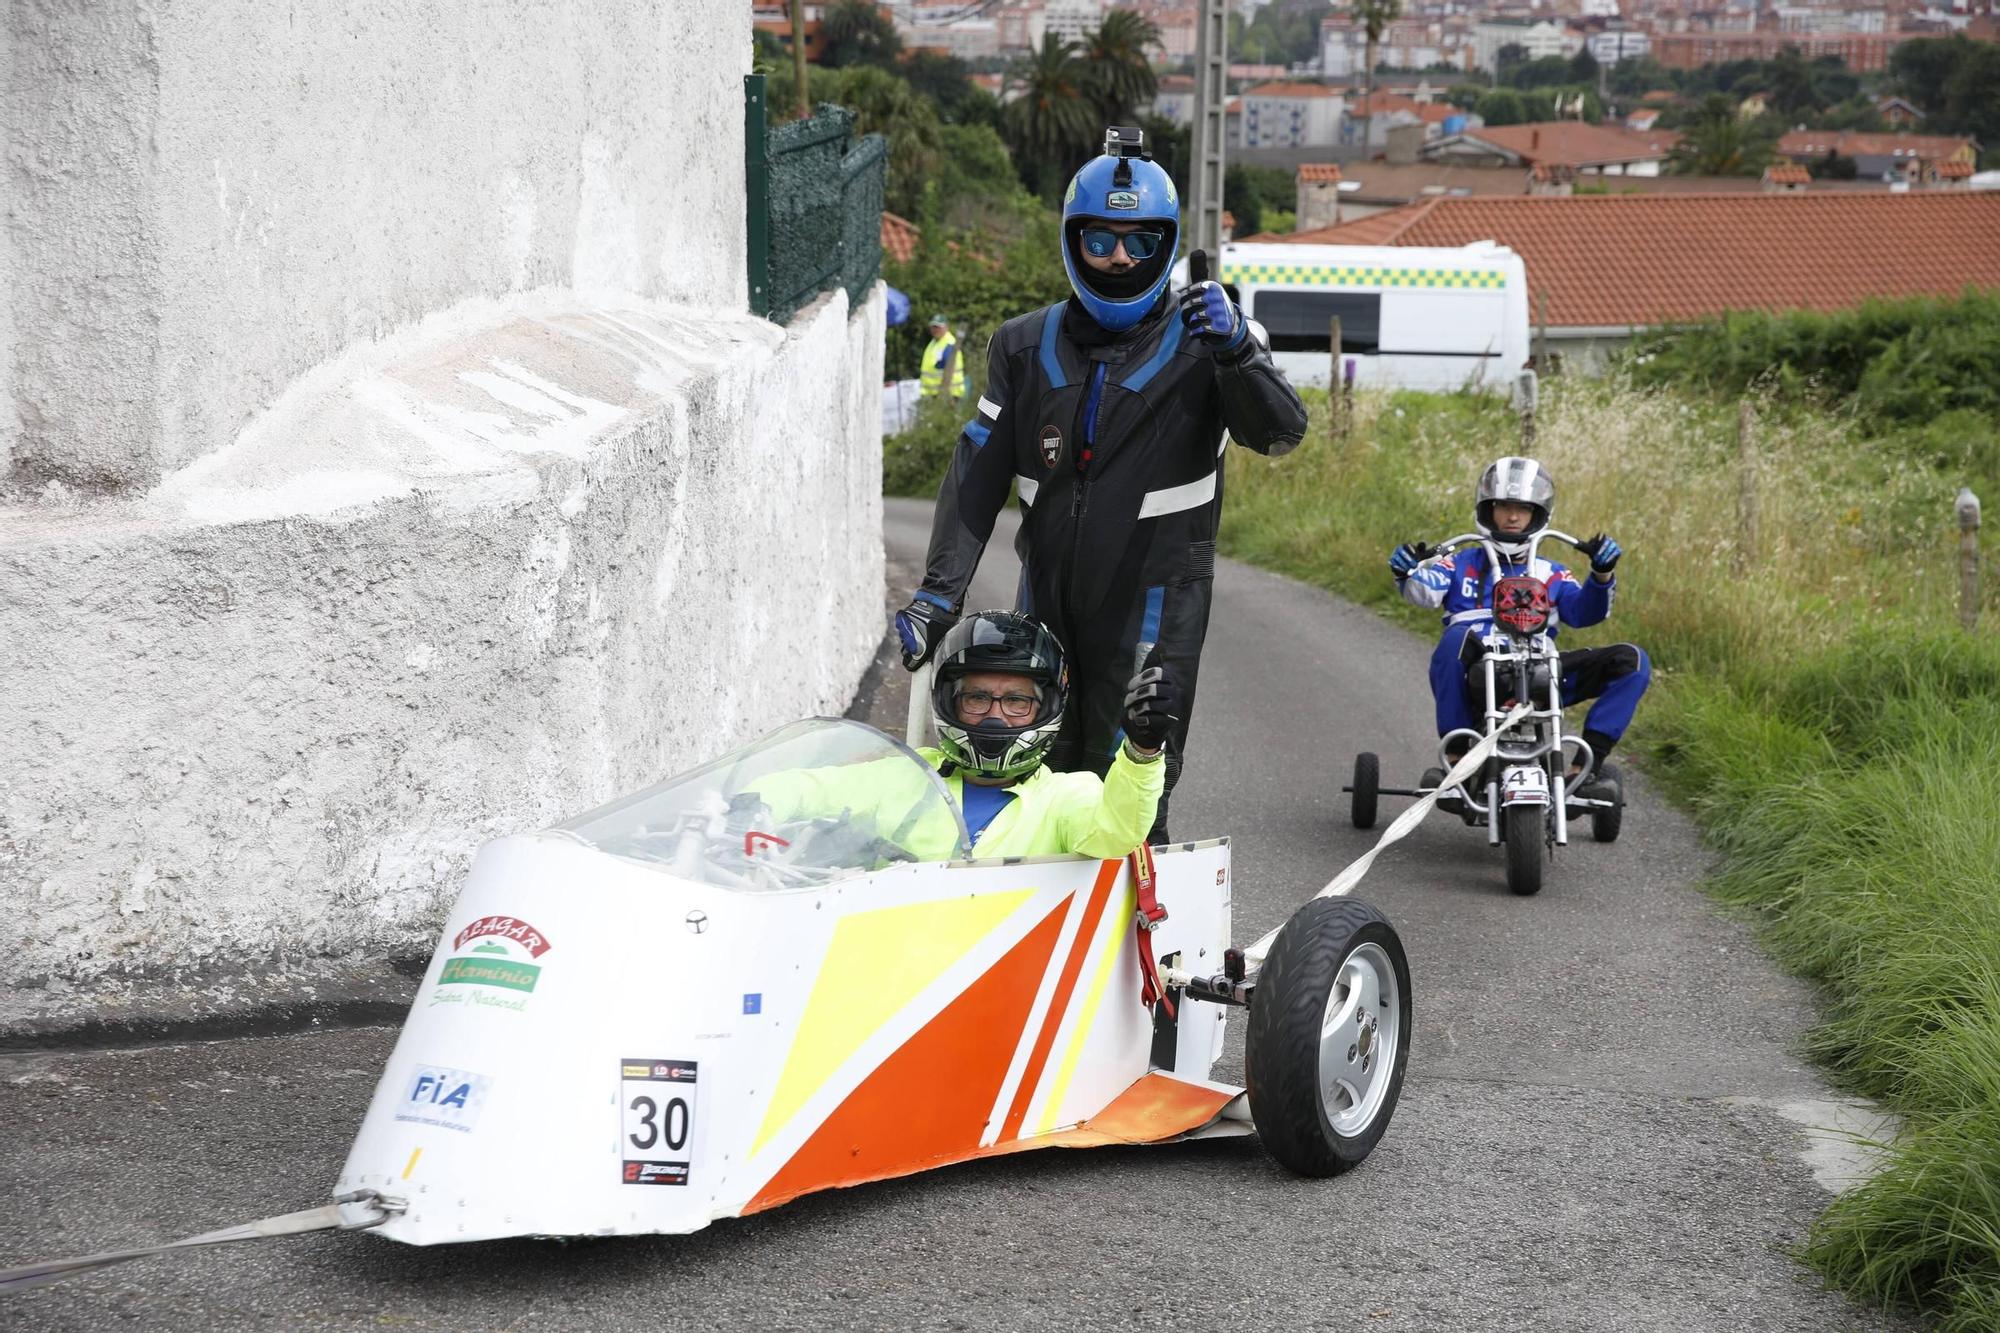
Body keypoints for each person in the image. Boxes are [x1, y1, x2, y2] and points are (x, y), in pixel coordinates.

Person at [893, 126, 1307, 842]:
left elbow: (1279, 433)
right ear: (1071, 238)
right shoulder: (1022, 345)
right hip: (1044, 597)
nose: (1120, 258)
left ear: (1168, 243)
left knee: (1132, 776)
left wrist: (1239, 351)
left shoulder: (1208, 339)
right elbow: (976, 473)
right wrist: (938, 593)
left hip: (1155, 609)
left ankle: (1137, 943)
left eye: (1141, 241)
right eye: (1101, 240)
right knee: (1021, 769)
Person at [752, 611, 1178, 859]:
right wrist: (749, 804)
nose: (996, 716)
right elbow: (811, 787)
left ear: (1045, 708)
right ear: (950, 701)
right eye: (977, 698)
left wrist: (1142, 749)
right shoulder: (908, 773)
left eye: (1016, 701)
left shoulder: (1066, 795)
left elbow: (1118, 831)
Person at [1389, 457, 1650, 793]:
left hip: (1543, 669)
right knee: (1455, 637)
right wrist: (1406, 570)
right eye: (1504, 507)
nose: (1513, 517)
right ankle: (1456, 761)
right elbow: (1423, 592)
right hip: (1476, 669)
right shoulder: (1460, 562)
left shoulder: (1552, 571)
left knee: (1633, 661)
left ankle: (1583, 768)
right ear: (1487, 510)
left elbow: (1585, 613)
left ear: (1538, 514)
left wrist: (1602, 575)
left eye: (1523, 509)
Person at [919, 314, 967, 401]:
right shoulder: (933, 343)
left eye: (938, 327)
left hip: (948, 394)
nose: (935, 330)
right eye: (933, 327)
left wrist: (944, 392)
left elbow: (947, 369)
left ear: (946, 327)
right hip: (934, 395)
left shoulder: (949, 344)